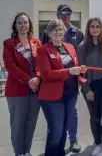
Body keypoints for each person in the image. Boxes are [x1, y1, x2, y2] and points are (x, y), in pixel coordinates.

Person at [36, 19, 87, 156]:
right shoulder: (43, 50)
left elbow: (74, 65)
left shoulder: (70, 47)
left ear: (64, 31)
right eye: (54, 29)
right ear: (49, 33)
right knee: (56, 131)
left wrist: (80, 70)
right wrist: (69, 71)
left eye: (60, 29)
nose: (57, 32)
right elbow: (46, 74)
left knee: (64, 129)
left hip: (70, 94)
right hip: (52, 97)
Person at [3, 12, 42, 156]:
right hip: (17, 90)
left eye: (25, 22)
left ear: (29, 24)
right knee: (18, 124)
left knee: (30, 123)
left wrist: (37, 77)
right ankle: (19, 153)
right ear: (15, 25)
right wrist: (28, 80)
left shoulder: (36, 43)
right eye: (19, 23)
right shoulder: (9, 43)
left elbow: (41, 64)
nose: (23, 25)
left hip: (35, 89)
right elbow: (10, 65)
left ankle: (27, 151)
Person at [77, 17, 102, 156]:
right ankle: (98, 144)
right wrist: (86, 89)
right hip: (90, 86)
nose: (95, 29)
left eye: (97, 26)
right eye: (92, 26)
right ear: (88, 29)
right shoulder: (82, 47)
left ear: (101, 28)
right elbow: (80, 72)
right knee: (94, 117)